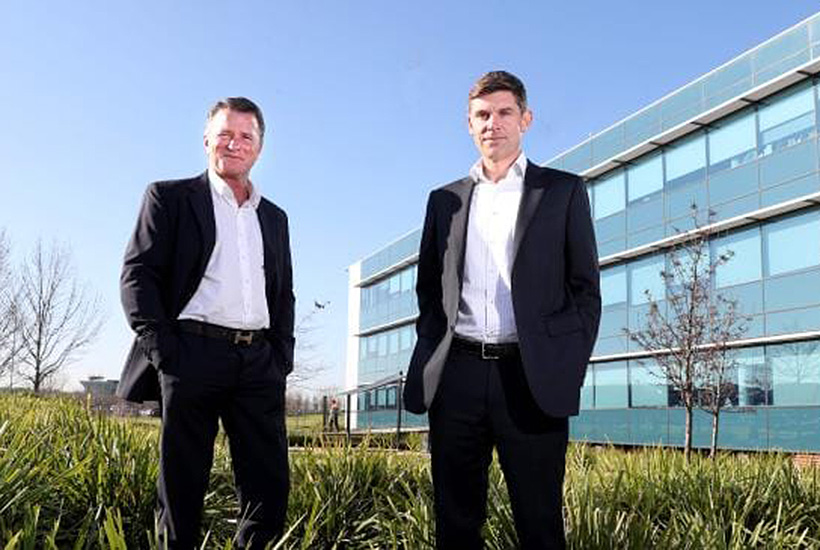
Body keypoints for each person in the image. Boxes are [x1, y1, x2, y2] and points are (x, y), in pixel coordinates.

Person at [403, 71, 601, 549]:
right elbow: (430, 288)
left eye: (504, 112)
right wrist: (437, 353)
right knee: (455, 522)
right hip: (458, 377)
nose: (494, 123)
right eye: (482, 115)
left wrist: (565, 364)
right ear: (469, 125)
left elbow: (585, 291)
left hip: (531, 380)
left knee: (540, 524)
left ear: (526, 119)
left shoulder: (562, 192)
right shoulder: (443, 201)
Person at [117, 97, 295, 549]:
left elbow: (283, 293)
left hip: (258, 363)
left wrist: (281, 358)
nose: (234, 144)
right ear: (206, 141)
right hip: (190, 354)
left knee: (268, 486)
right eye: (224, 134)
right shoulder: (169, 197)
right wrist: (165, 352)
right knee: (181, 487)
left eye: (245, 137)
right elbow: (138, 276)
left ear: (259, 148)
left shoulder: (274, 218)